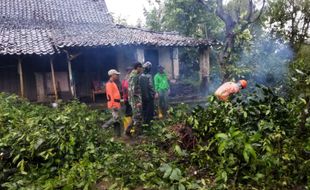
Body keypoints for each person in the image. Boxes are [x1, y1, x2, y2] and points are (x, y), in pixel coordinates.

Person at [102, 69, 122, 137]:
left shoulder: (113, 83)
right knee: (115, 119)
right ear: (112, 75)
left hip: (117, 103)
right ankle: (104, 126)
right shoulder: (109, 84)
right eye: (116, 74)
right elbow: (110, 96)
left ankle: (118, 135)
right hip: (114, 104)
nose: (117, 76)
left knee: (117, 120)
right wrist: (113, 105)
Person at [128, 62, 143, 135]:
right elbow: (132, 90)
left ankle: (127, 132)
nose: (142, 69)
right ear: (138, 68)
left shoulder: (133, 75)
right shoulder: (134, 76)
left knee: (135, 116)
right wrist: (137, 101)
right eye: (141, 67)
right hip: (135, 100)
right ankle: (137, 134)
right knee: (137, 116)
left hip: (133, 99)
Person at [121, 67, 133, 135]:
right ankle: (127, 130)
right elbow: (125, 89)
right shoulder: (127, 79)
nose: (130, 72)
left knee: (130, 114)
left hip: (128, 98)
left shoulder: (126, 79)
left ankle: (130, 130)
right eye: (129, 71)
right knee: (128, 114)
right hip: (128, 99)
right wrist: (127, 97)